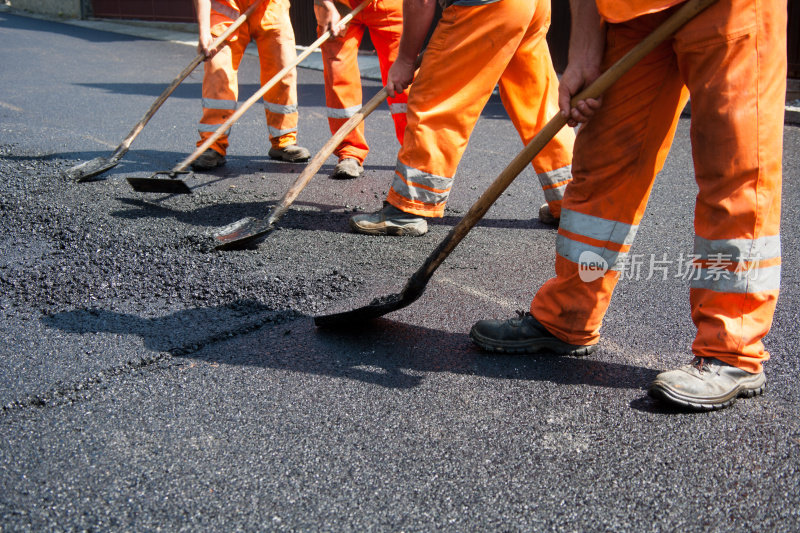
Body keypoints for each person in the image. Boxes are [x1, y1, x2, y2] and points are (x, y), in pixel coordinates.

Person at [470, 0, 786, 411]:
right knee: (602, 168)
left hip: (729, 9)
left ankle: (731, 349)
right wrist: (584, 48)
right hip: (628, 13)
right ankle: (568, 315)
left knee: (735, 168)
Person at [349, 0, 576, 235]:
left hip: (484, 8)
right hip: (531, 5)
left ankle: (408, 208)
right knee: (535, 99)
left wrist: (406, 60)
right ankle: (570, 199)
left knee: (437, 99)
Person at [191, 0, 310, 170]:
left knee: (282, 69)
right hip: (226, 8)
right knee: (217, 69)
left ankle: (283, 140)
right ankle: (212, 144)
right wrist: (204, 31)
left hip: (270, 6)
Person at [314, 0, 408, 180]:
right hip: (339, 4)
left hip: (389, 4)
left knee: (404, 77)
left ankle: (415, 150)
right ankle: (349, 151)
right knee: (339, 74)